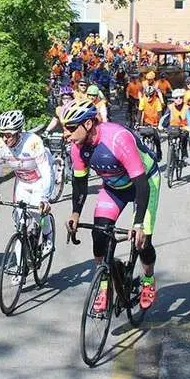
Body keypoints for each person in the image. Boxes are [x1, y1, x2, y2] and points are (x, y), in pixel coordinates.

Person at [62, 99, 161, 312]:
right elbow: (80, 181)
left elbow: (141, 183)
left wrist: (138, 224)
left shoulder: (118, 138)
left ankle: (148, 278)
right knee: (99, 236)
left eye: (70, 128)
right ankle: (105, 284)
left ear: (88, 124)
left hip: (144, 183)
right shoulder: (76, 146)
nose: (66, 133)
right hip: (113, 187)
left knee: (142, 241)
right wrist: (75, 212)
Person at [0, 110, 54, 258]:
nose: (5, 139)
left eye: (8, 135)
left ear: (18, 132)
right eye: (1, 134)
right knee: (19, 224)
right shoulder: (0, 147)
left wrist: (45, 198)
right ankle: (20, 269)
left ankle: (48, 236)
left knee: (38, 213)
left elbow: (47, 172)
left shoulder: (33, 142)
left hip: (40, 181)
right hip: (23, 182)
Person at [136, 87, 164, 161]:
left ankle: (159, 153)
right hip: (146, 122)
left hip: (155, 123)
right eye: (147, 95)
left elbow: (160, 114)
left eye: (150, 95)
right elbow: (139, 112)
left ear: (154, 94)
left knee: (157, 139)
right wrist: (137, 123)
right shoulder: (143, 100)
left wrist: (159, 124)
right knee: (139, 139)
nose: (149, 97)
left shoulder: (157, 101)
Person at [165, 89, 190, 163]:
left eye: (181, 97)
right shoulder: (170, 107)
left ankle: (184, 153)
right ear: (173, 99)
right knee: (170, 138)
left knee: (184, 137)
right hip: (173, 127)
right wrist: (161, 126)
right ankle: (170, 153)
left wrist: (189, 127)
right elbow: (165, 117)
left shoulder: (186, 107)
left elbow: (189, 119)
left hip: (183, 127)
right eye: (176, 98)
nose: (179, 99)